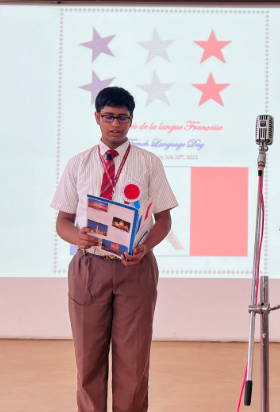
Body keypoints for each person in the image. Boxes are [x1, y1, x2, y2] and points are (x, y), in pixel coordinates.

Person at [51, 87, 178, 412]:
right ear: (97, 117)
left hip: (135, 267)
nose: (116, 124)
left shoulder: (148, 163)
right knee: (88, 358)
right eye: (109, 117)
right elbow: (63, 221)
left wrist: (145, 247)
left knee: (133, 360)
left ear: (131, 120)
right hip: (89, 267)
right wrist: (76, 237)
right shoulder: (78, 164)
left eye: (123, 118)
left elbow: (164, 219)